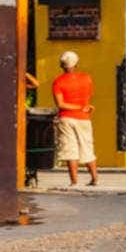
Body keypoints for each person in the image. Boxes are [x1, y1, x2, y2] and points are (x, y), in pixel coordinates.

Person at [51, 50, 98, 186]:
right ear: (76, 64)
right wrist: (83, 107)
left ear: (61, 65)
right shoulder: (86, 78)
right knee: (87, 147)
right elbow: (88, 97)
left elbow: (60, 104)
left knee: (70, 149)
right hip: (84, 117)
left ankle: (74, 181)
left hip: (66, 118)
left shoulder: (58, 82)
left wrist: (77, 107)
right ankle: (94, 178)